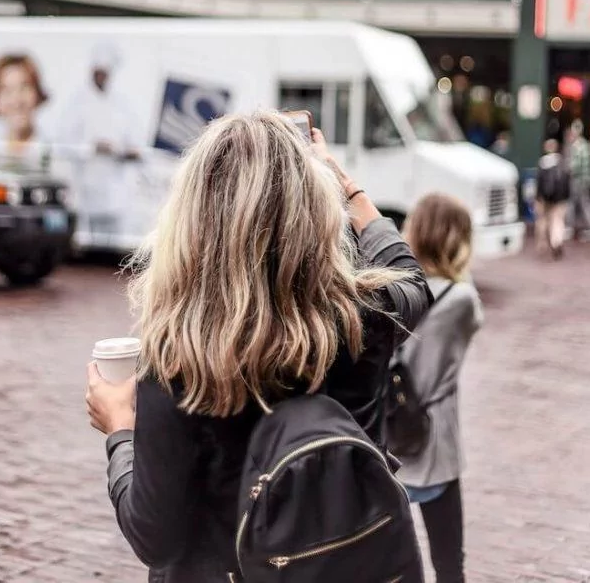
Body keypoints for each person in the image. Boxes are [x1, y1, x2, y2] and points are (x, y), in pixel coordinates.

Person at [85, 112, 432, 582]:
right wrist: (347, 186)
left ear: (192, 220)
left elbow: (155, 537)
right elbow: (412, 279)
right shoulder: (363, 316)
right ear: (315, 207)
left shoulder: (176, 364)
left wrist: (120, 430)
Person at [396, 193, 483, 583]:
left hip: (388, 436)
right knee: (449, 564)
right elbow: (474, 316)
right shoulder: (461, 299)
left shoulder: (393, 290)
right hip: (436, 442)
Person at [60, 41, 139, 246]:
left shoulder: (121, 104)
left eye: (105, 73)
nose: (100, 77)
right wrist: (92, 147)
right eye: (98, 72)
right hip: (87, 187)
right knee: (89, 243)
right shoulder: (78, 102)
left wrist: (127, 152)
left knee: (113, 243)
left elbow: (132, 143)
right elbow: (65, 144)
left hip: (115, 190)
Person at [0, 53, 50, 164]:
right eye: (7, 91)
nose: (16, 100)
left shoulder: (57, 158)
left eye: (24, 88)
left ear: (37, 94)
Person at [535, 138, 570, 259]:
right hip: (560, 199)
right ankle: (556, 241)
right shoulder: (562, 162)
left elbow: (538, 183)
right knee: (558, 221)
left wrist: (538, 197)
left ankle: (543, 243)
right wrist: (566, 196)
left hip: (545, 199)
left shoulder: (542, 163)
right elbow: (567, 182)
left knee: (543, 220)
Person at [566, 120, 590, 242]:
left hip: (577, 180)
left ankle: (569, 228)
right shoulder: (586, 145)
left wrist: (566, 169)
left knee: (572, 203)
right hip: (586, 180)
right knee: (585, 202)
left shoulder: (576, 146)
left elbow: (573, 167)